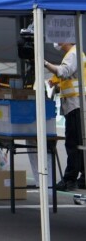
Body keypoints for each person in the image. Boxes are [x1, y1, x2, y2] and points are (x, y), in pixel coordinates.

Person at [45, 42, 83, 191]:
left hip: (76, 104)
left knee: (73, 143)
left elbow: (63, 71)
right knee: (79, 142)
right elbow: (72, 78)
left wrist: (45, 63)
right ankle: (83, 177)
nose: (56, 41)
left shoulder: (73, 53)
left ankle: (69, 179)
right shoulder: (73, 53)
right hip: (75, 104)